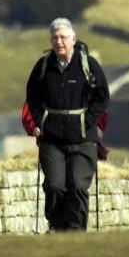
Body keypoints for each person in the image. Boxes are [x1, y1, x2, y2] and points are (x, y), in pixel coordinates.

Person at [24, 17, 110, 232]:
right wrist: (39, 121)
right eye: (54, 38)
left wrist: (88, 120)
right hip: (51, 139)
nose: (59, 42)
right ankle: (56, 226)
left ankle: (75, 232)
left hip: (83, 138)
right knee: (54, 185)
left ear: (74, 39)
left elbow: (102, 96)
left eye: (63, 37)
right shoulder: (43, 66)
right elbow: (32, 96)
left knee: (78, 186)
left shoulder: (88, 65)